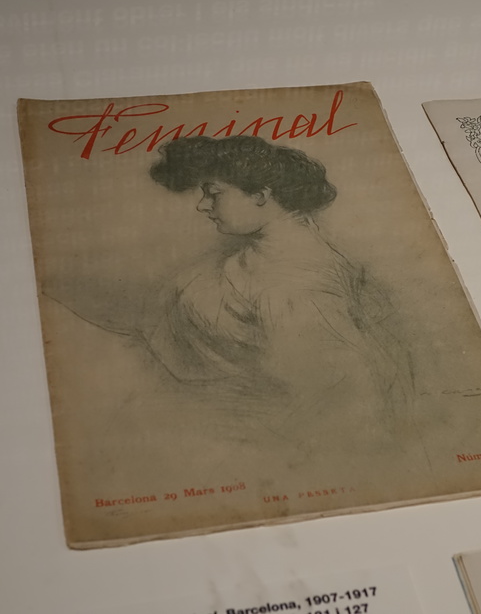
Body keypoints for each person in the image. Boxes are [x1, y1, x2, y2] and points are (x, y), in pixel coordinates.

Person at [142, 134, 414, 456]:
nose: (202, 205)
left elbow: (333, 399)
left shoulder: (295, 277)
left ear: (261, 195)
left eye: (214, 194)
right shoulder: (263, 256)